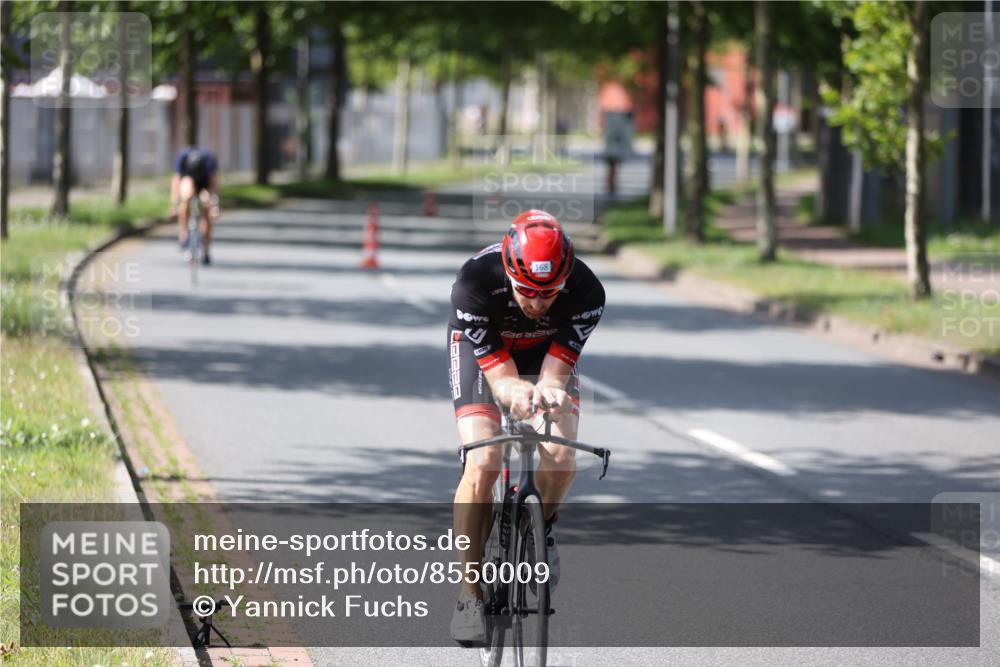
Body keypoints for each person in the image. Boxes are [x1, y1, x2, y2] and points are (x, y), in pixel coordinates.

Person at [447, 209, 605, 644]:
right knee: (484, 462)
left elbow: (556, 372)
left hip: (545, 355)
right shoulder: (474, 282)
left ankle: (542, 527)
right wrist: (515, 393)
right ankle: (469, 593)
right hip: (484, 356)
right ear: (509, 272)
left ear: (565, 280)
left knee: (561, 453)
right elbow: (501, 379)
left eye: (548, 294)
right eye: (526, 291)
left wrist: (550, 393)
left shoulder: (588, 291)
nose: (536, 303)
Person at [171, 146, 219, 266]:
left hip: (204, 185)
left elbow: (213, 183)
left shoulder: (208, 160)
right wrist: (174, 203)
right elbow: (177, 181)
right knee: (186, 198)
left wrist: (214, 204)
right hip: (188, 182)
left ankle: (206, 248)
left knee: (207, 205)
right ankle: (183, 234)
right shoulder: (183, 159)